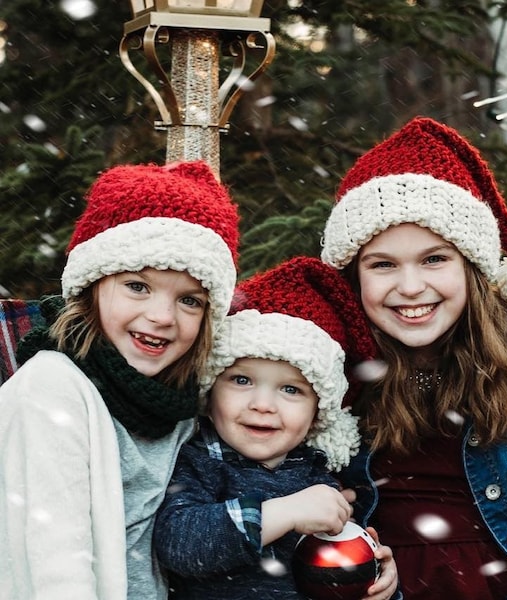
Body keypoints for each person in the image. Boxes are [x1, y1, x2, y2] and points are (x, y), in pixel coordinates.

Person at [319, 116, 507, 599]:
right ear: (353, 275)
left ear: (472, 267)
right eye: (383, 264)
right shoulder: (330, 364)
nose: (410, 287)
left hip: (504, 584)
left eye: (434, 259)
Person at [0, 160, 240, 600]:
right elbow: (54, 563)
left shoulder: (179, 404)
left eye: (189, 300)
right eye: (138, 286)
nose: (162, 317)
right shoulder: (53, 388)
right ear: (93, 285)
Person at [153, 256, 399, 600]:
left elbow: (333, 562)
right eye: (242, 380)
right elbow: (180, 546)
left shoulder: (317, 476)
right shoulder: (197, 463)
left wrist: (371, 570)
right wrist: (283, 512)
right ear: (208, 395)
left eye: (290, 390)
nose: (263, 405)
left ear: (318, 413)